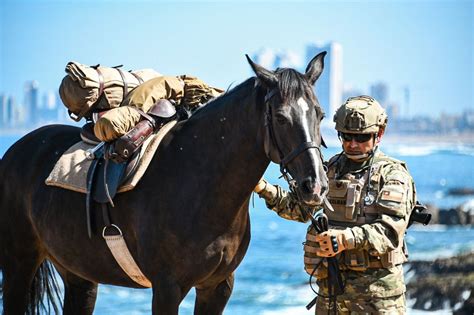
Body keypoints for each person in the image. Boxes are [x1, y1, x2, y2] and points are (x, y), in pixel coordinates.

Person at [254, 95, 415, 314]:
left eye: (361, 137)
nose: (352, 144)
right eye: (346, 136)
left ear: (379, 135)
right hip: (332, 295)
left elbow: (390, 232)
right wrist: (263, 188)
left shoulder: (393, 175)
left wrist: (345, 239)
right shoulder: (332, 170)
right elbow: (300, 209)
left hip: (377, 299)